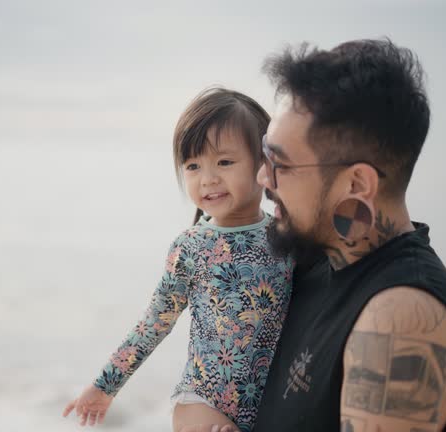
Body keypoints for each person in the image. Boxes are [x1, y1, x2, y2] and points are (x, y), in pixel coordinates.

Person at [204, 38, 446, 432]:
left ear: (357, 183)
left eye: (280, 163)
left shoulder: (401, 319)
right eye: (264, 154)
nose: (263, 178)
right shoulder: (315, 263)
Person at [62, 87, 295, 431]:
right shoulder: (192, 247)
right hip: (205, 403)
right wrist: (104, 387)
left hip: (271, 405)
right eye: (193, 166)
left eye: (225, 162)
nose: (208, 178)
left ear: (264, 165)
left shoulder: (287, 237)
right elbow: (154, 323)